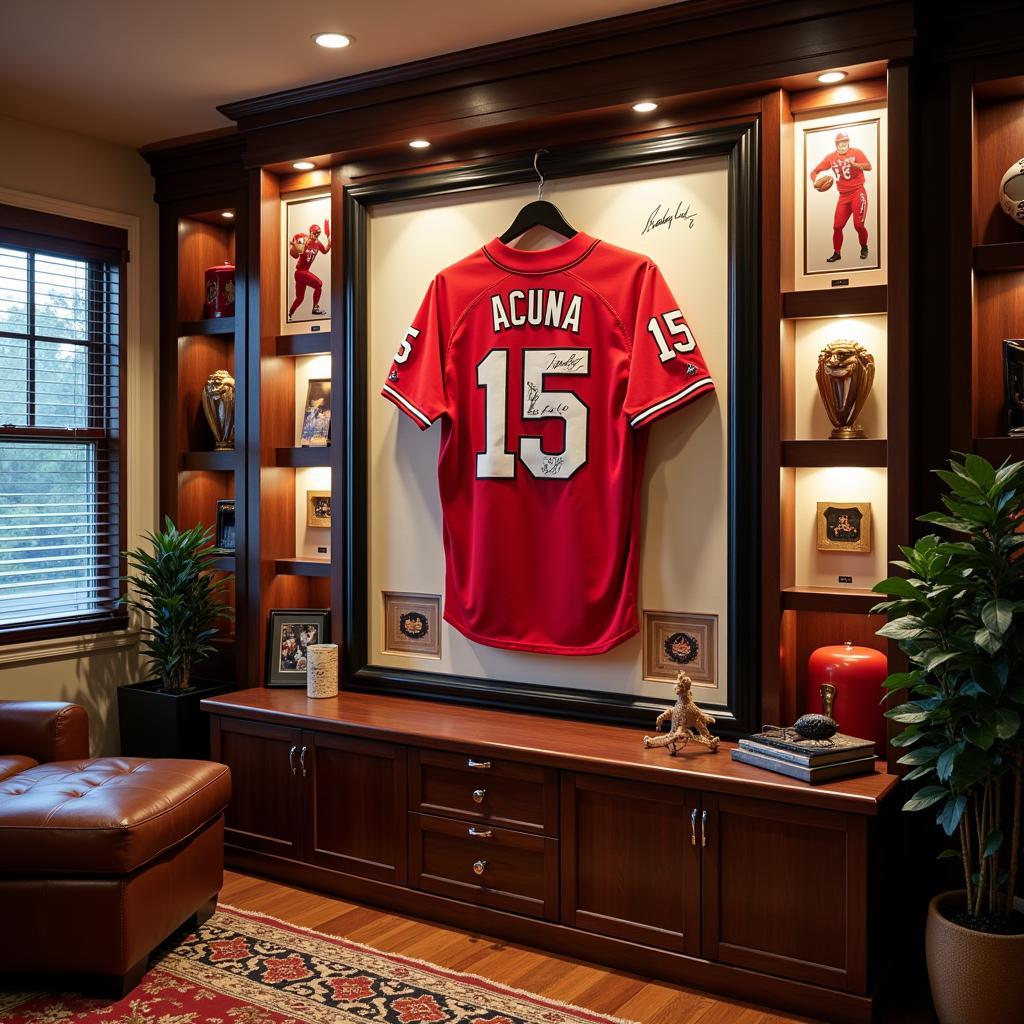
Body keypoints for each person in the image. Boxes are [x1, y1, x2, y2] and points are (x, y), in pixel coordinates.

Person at [809, 131, 872, 263]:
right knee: (837, 226)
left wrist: (858, 165)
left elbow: (869, 166)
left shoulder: (856, 152)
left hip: (857, 192)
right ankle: (837, 253)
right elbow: (814, 172)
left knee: (858, 225)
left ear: (848, 142)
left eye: (845, 142)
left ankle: (864, 247)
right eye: (840, 142)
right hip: (843, 196)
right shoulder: (831, 157)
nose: (843, 144)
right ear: (836, 144)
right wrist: (815, 181)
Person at [288, 220, 331, 320]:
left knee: (300, 298)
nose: (316, 235)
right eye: (315, 233)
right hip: (301, 272)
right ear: (310, 232)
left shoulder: (317, 243)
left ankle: (289, 314)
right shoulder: (304, 239)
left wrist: (329, 243)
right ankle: (315, 308)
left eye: (318, 233)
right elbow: (294, 255)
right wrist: (294, 247)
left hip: (302, 273)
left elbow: (324, 251)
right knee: (319, 284)